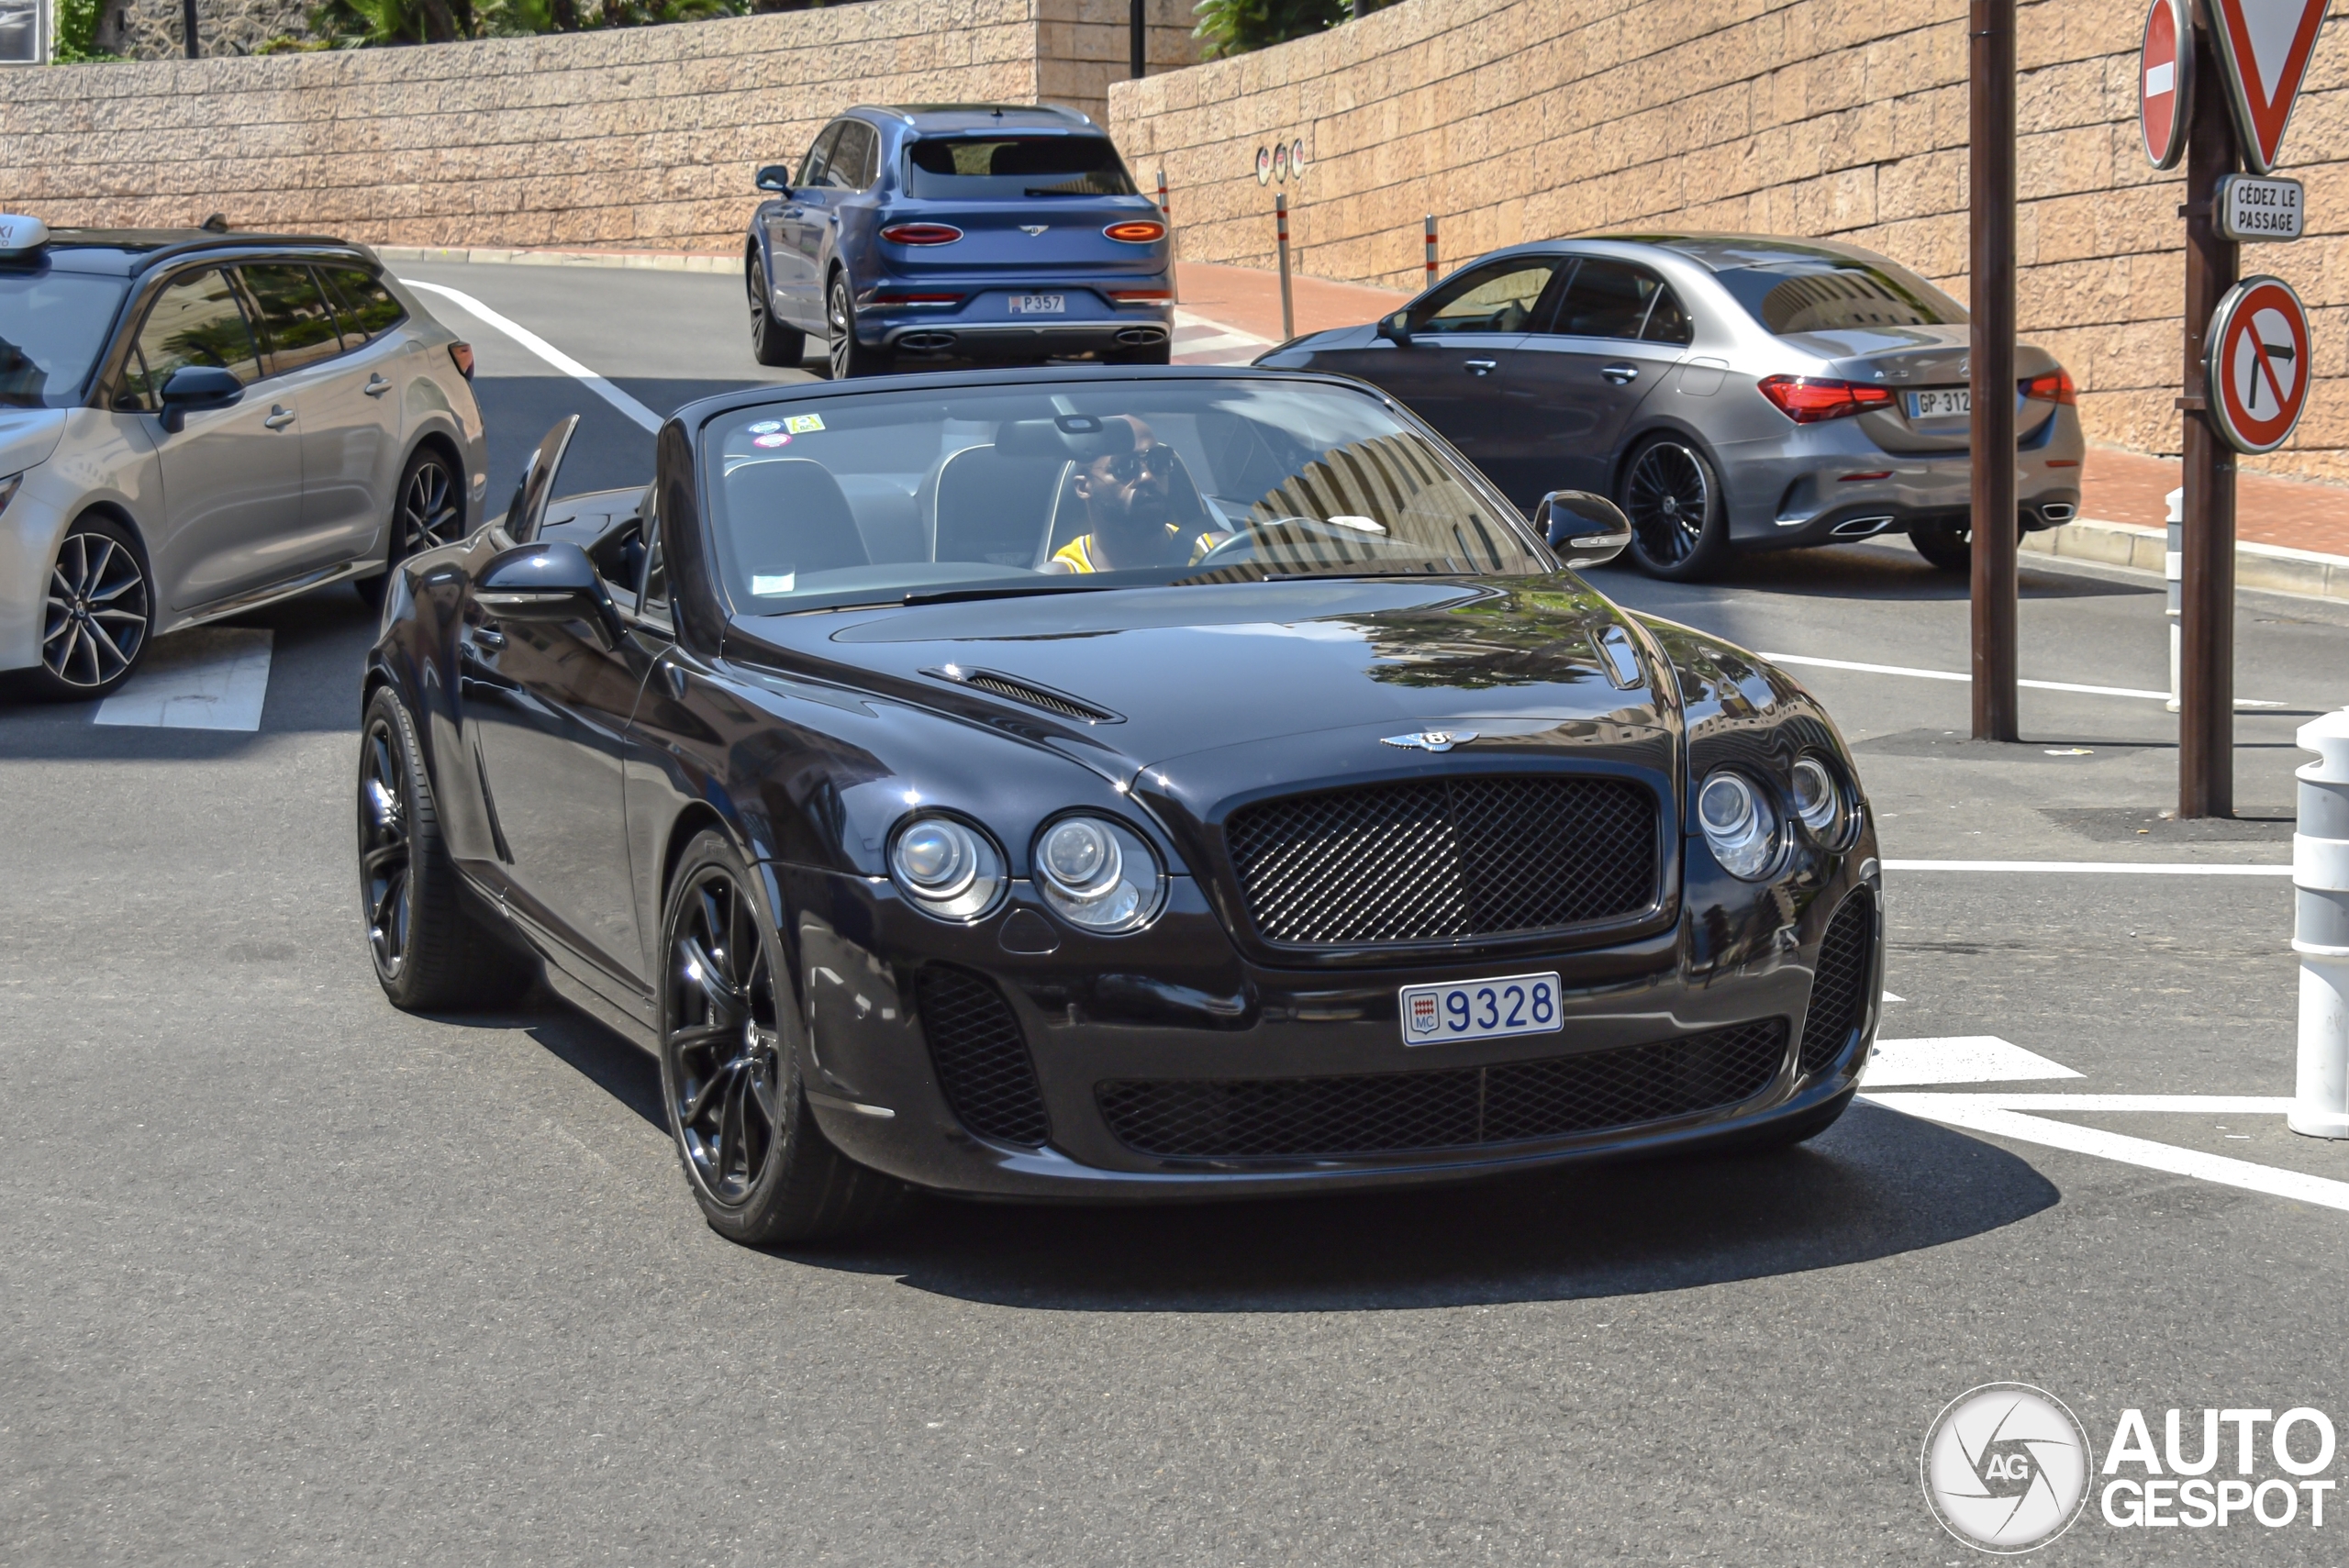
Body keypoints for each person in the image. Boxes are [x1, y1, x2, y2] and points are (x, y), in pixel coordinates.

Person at [1043, 416, 1229, 573]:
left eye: (1157, 460)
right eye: (1125, 467)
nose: (1148, 476)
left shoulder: (1220, 556)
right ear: (1084, 488)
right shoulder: (1061, 582)